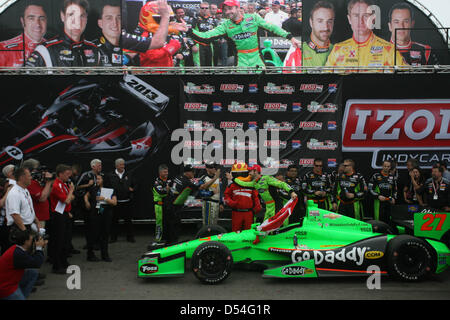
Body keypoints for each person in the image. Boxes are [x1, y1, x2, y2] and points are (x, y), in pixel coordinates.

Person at [188, 0, 300, 68]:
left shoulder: (253, 18)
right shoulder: (225, 25)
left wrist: (291, 38)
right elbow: (206, 37)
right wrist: (188, 30)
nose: (227, 12)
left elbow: (273, 27)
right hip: (240, 61)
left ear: (237, 8)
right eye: (225, 10)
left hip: (257, 59)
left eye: (230, 8)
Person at [325, 0, 407, 69]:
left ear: (373, 19)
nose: (360, 21)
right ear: (349, 19)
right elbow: (326, 81)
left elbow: (409, 80)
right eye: (356, 16)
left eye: (365, 16)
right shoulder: (337, 50)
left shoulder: (389, 51)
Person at [26, 0, 101, 67]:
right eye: (71, 15)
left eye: (81, 16)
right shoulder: (45, 50)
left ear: (86, 18)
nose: (77, 22)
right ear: (63, 16)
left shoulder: (95, 50)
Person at [232, 164, 297, 221]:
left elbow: (282, 184)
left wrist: (291, 192)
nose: (249, 173)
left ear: (256, 171)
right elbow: (243, 184)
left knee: (275, 226)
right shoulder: (254, 183)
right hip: (268, 206)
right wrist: (233, 178)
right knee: (265, 227)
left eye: (250, 171)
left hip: (276, 205)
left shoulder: (266, 178)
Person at [0, 229, 46, 300]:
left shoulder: (17, 248)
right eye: (31, 240)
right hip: (6, 287)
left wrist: (39, 248)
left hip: (11, 280)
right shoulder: (18, 254)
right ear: (26, 242)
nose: (33, 241)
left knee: (32, 273)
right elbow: (36, 263)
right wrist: (39, 248)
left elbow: (32, 259)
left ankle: (22, 296)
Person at [0, 1, 47, 67]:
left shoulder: (54, 49)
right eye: (31, 18)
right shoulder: (4, 49)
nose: (37, 24)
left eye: (41, 18)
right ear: (22, 22)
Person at [84, 174, 117, 262]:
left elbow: (114, 202)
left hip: (106, 214)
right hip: (95, 214)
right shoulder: (94, 188)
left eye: (98, 179)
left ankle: (105, 254)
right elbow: (86, 195)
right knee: (93, 234)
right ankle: (90, 254)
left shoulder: (110, 190)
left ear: (104, 180)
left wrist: (105, 199)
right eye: (96, 179)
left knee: (105, 235)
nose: (97, 181)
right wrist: (87, 202)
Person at [165, 165, 201, 244]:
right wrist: (215, 178)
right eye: (192, 172)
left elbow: (168, 187)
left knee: (170, 225)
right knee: (175, 226)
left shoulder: (178, 176)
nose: (194, 173)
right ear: (187, 172)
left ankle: (168, 242)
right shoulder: (187, 182)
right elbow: (201, 187)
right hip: (175, 207)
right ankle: (173, 245)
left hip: (169, 203)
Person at [49, 164, 75, 274]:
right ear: (60, 174)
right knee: (58, 240)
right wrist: (71, 191)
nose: (69, 177)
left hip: (64, 213)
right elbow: (67, 200)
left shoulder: (63, 184)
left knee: (65, 239)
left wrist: (69, 195)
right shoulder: (56, 185)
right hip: (58, 215)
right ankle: (57, 265)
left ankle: (63, 261)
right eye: (67, 174)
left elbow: (70, 198)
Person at [224, 163, 261, 232]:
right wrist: (231, 203)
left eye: (242, 173)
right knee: (235, 233)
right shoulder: (232, 185)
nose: (239, 176)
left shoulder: (251, 184)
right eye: (237, 174)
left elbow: (255, 197)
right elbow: (226, 196)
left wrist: (257, 208)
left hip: (249, 213)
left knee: (249, 232)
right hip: (236, 212)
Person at [5, 167, 42, 233]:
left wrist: (37, 222)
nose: (31, 178)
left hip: (27, 226)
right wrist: (24, 230)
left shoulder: (25, 189)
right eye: (29, 176)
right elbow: (14, 214)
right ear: (22, 177)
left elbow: (30, 209)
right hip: (19, 227)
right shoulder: (14, 193)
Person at [108, 158, 135, 243]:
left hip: (127, 201)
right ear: (116, 166)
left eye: (123, 164)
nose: (123, 166)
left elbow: (135, 184)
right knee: (114, 221)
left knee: (128, 221)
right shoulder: (111, 175)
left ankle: (130, 237)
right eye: (121, 165)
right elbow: (108, 187)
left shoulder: (129, 174)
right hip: (115, 202)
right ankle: (113, 238)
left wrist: (132, 189)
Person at [21, 159, 52, 230]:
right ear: (29, 170)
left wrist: (50, 183)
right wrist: (48, 183)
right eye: (37, 169)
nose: (40, 172)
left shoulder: (36, 182)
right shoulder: (30, 183)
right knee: (37, 239)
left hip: (41, 217)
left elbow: (47, 195)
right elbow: (42, 198)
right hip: (37, 218)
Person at [302, 1, 335, 67]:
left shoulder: (338, 50)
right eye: (320, 21)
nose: (325, 27)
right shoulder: (300, 51)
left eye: (329, 21)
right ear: (311, 22)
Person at [95, 0, 123, 67]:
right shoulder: (92, 48)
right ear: (100, 23)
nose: (115, 23)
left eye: (119, 18)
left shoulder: (130, 47)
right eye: (109, 18)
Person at [192, 2, 218, 66]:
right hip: (199, 44)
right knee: (199, 65)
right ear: (199, 9)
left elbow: (216, 31)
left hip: (210, 44)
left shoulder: (213, 19)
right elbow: (190, 32)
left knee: (210, 65)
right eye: (202, 8)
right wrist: (193, 45)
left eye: (206, 8)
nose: (204, 9)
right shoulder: (195, 19)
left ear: (209, 9)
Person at [152, 164, 171, 246]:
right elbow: (161, 193)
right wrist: (167, 191)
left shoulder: (169, 181)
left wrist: (168, 191)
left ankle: (167, 239)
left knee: (168, 222)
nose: (166, 173)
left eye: (167, 171)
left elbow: (174, 191)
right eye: (164, 172)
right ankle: (158, 240)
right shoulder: (156, 182)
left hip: (167, 205)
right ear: (160, 173)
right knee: (159, 223)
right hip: (159, 206)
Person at [0, 178, 13, 254]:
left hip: (4, 225)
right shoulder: (5, 194)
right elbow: (1, 204)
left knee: (5, 248)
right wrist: (8, 191)